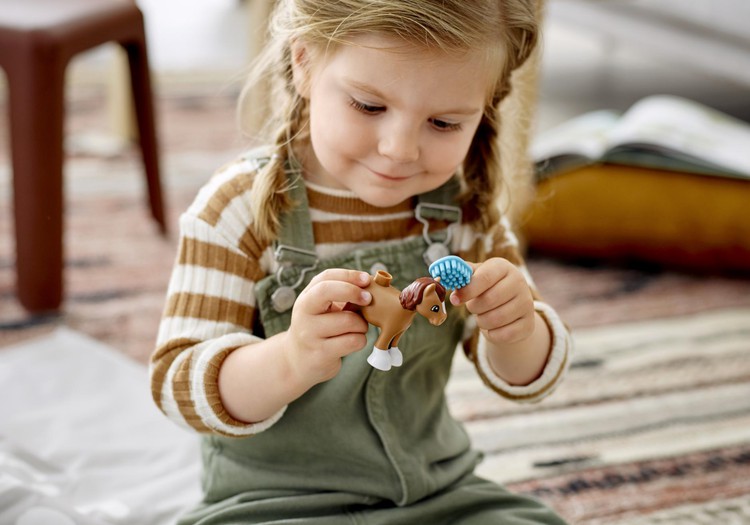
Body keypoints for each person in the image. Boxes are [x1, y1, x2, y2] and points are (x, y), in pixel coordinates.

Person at [150, 0, 573, 523]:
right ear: (303, 62)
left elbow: (529, 377)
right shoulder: (236, 209)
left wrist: (516, 330)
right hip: (274, 506)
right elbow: (176, 384)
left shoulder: (463, 213)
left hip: (437, 494)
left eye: (443, 122)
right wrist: (289, 360)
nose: (400, 149)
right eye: (370, 107)